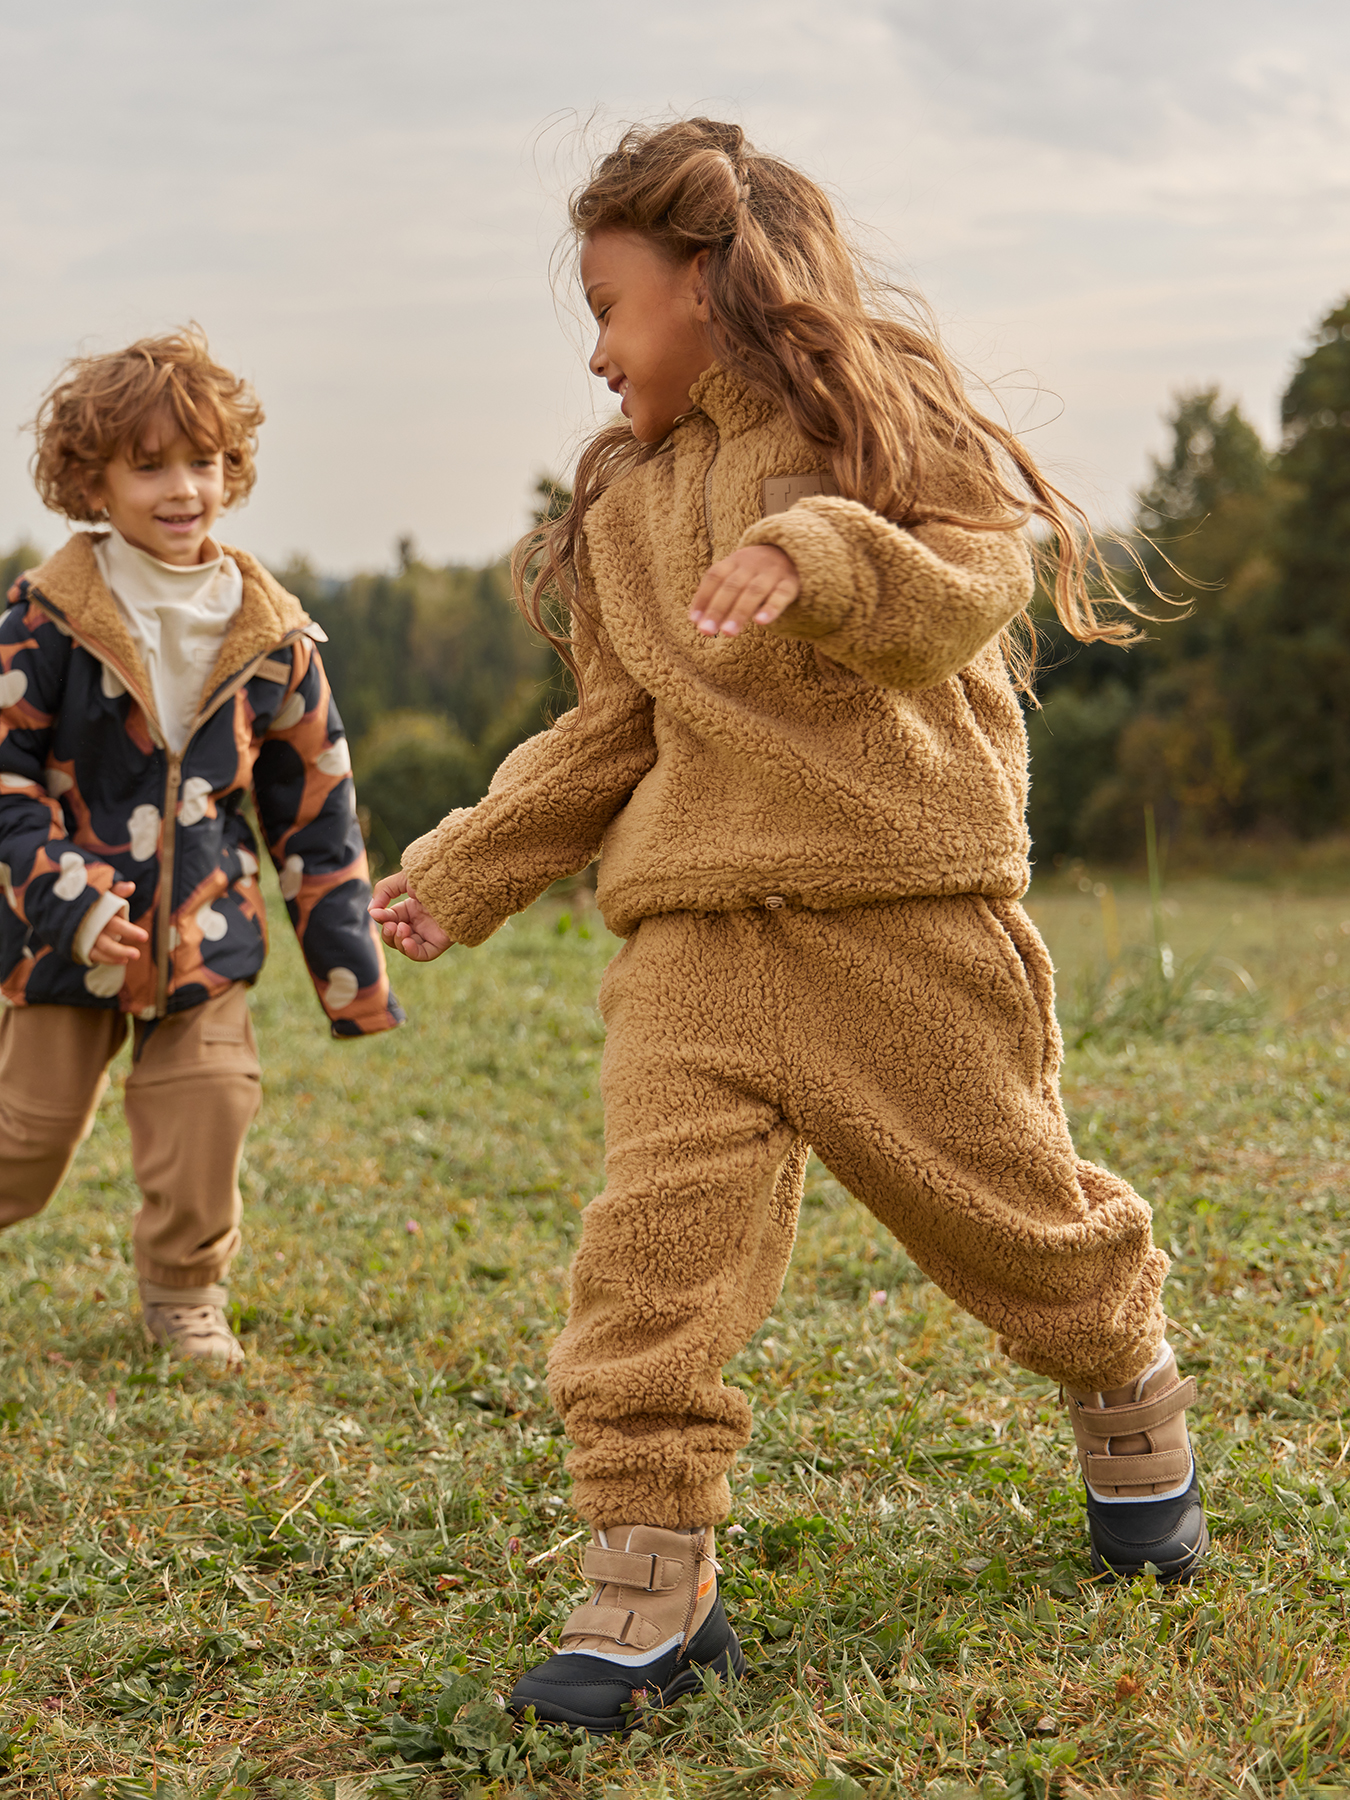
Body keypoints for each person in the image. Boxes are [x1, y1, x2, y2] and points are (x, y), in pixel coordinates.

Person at [371, 118, 1207, 1733]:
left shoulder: (878, 420)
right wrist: (466, 864)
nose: (601, 354)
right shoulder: (624, 508)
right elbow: (612, 729)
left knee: (1012, 1219)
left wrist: (813, 547)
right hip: (690, 937)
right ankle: (649, 1576)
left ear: (711, 280)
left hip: (897, 918)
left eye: (611, 305)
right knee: (650, 1257)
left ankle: (1128, 1386)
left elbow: (976, 580)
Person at [0, 328, 402, 1369]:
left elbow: (316, 812)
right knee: (26, 1146)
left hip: (204, 934)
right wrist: (67, 900)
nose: (185, 489)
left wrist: (350, 970)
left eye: (207, 462)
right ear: (92, 478)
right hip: (64, 937)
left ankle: (184, 1294)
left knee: (211, 1105)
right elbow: (2, 785)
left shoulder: (272, 636)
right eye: (150, 466)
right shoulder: (45, 622)